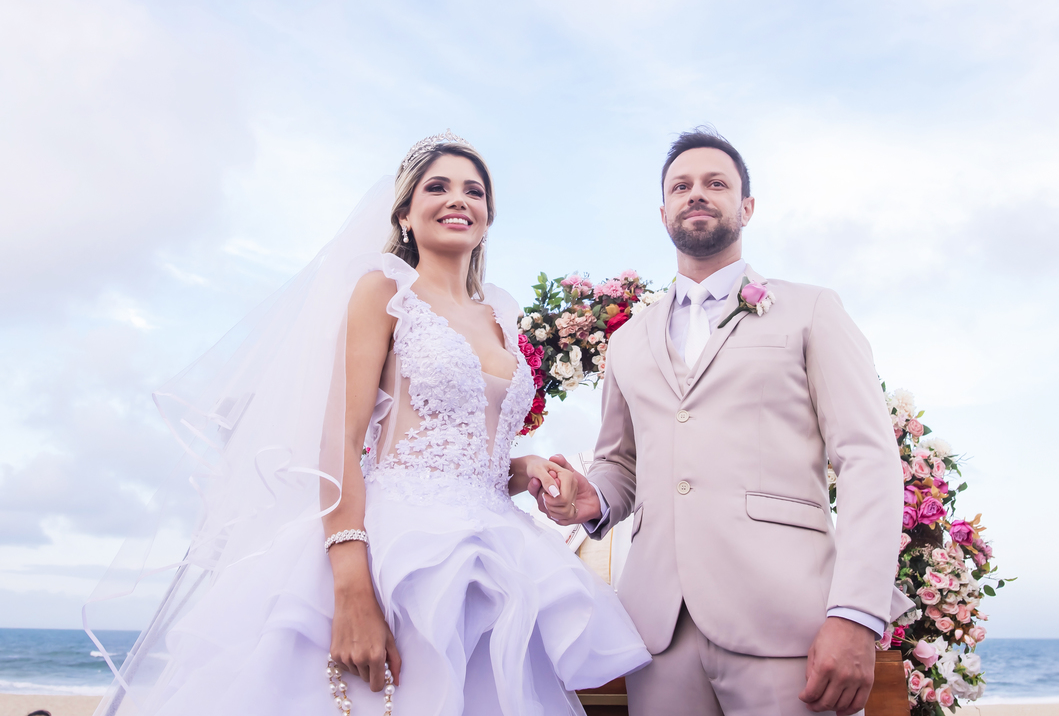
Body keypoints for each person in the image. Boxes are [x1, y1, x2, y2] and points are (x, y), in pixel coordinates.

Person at [91, 132, 649, 716]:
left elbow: (463, 455)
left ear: (487, 217)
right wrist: (352, 586)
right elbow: (342, 440)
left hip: (495, 556)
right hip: (394, 550)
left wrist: (523, 467)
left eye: (473, 191)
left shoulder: (500, 316)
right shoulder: (384, 291)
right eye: (438, 187)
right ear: (405, 212)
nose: (458, 199)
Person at [535, 128, 912, 716]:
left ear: (747, 206)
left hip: (788, 624)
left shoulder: (812, 310)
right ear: (663, 212)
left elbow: (868, 459)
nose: (697, 194)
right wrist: (593, 499)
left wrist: (856, 615)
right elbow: (621, 463)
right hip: (658, 633)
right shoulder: (630, 339)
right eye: (681, 186)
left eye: (716, 183)